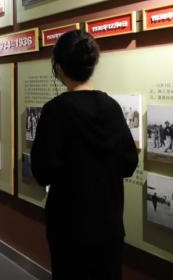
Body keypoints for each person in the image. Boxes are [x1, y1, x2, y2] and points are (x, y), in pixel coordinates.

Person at [31, 30, 138, 280]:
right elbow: (128, 164)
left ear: (58, 68)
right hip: (109, 226)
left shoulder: (55, 111)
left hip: (69, 228)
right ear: (91, 65)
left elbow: (42, 171)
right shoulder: (112, 107)